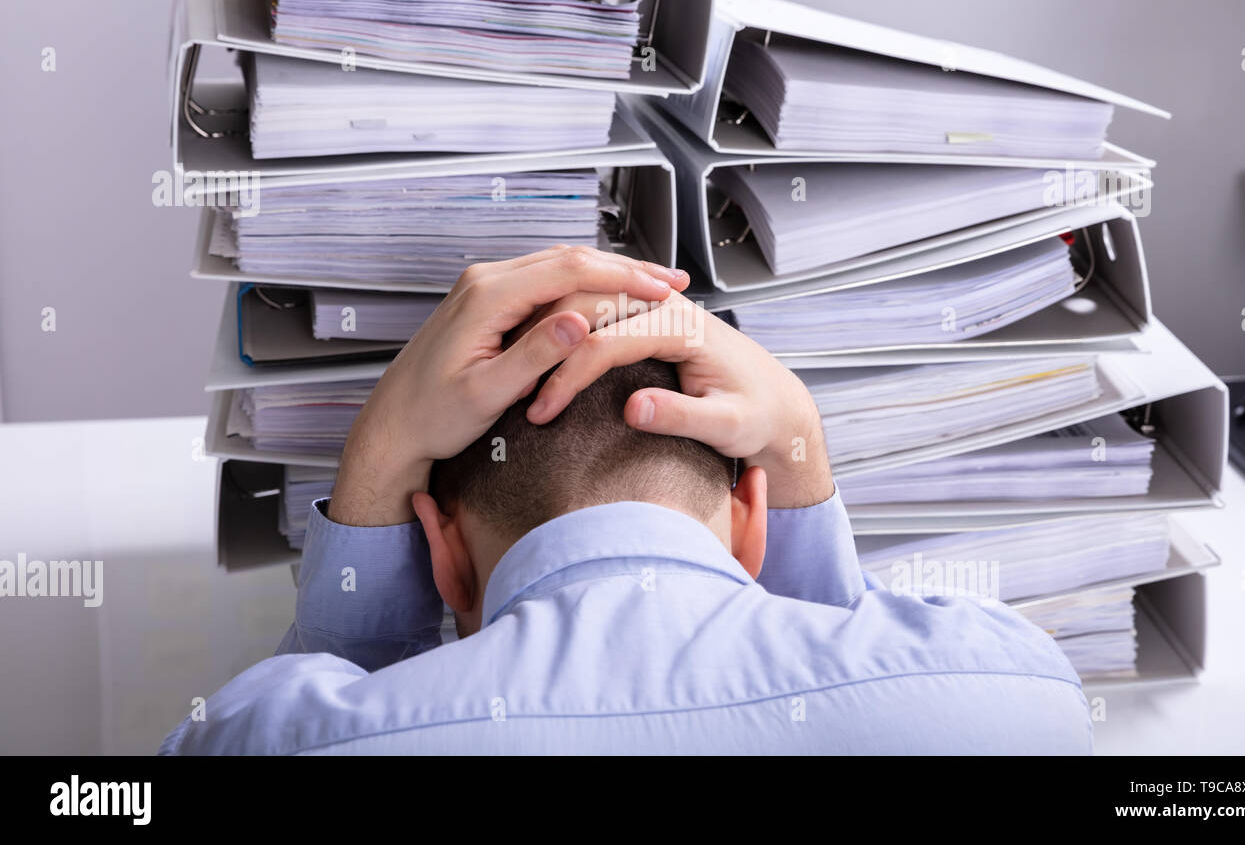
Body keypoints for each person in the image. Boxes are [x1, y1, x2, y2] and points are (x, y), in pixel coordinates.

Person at [161, 246, 1091, 754]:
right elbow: (852, 671)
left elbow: (304, 713)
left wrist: (375, 467)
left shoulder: (274, 742)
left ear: (441, 557)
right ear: (753, 517)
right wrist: (798, 441)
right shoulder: (1018, 699)